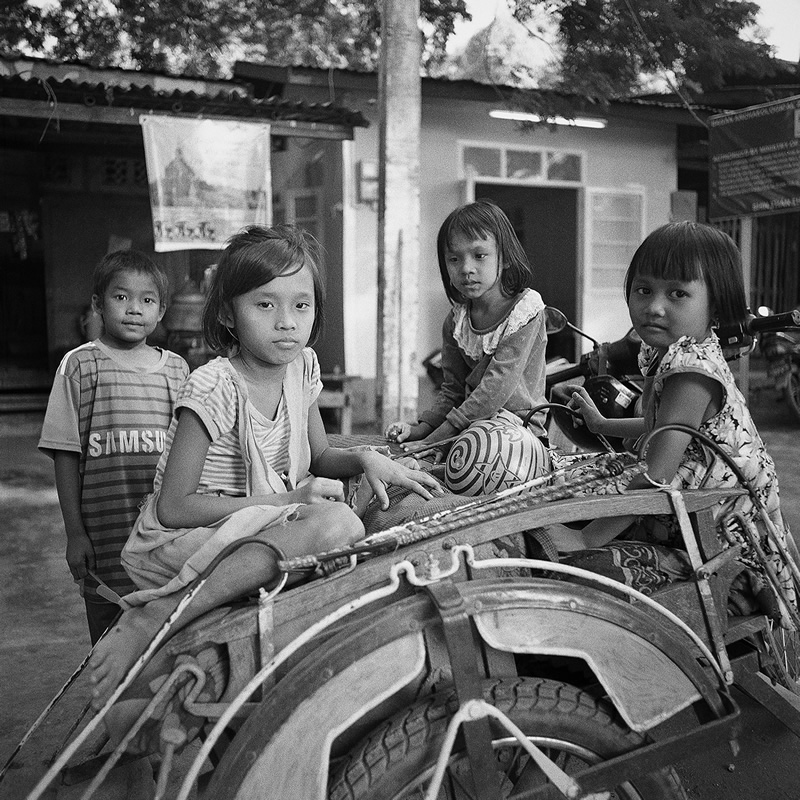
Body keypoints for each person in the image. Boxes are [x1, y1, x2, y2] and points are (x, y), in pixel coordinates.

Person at [89, 225, 442, 708]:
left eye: (301, 305)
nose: (286, 322)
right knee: (338, 524)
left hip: (258, 524)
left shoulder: (302, 369)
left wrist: (365, 457)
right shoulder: (214, 386)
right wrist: (290, 501)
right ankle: (159, 615)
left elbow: (319, 457)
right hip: (182, 538)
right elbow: (173, 507)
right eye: (265, 304)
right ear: (228, 314)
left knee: (356, 526)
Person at [551, 222, 795, 620]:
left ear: (716, 305)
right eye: (644, 290)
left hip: (722, 538)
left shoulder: (691, 372)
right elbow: (657, 426)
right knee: (583, 483)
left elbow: (656, 475)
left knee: (581, 530)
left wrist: (584, 537)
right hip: (693, 508)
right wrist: (600, 424)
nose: (654, 306)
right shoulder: (668, 352)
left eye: (677, 293)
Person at [39, 250, 189, 645]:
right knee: (107, 644)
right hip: (105, 537)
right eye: (121, 297)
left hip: (164, 536)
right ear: (97, 304)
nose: (134, 309)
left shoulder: (178, 370)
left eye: (147, 300)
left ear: (162, 309)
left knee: (163, 639)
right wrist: (75, 534)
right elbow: (65, 454)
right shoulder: (79, 366)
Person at [385, 199, 550, 487]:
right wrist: (422, 428)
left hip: (517, 431)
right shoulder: (456, 321)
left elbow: (495, 389)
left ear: (506, 256)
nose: (466, 269)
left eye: (479, 255)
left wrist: (435, 440)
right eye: (454, 259)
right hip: (468, 427)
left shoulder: (525, 309)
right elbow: (452, 389)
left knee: (460, 466)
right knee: (413, 468)